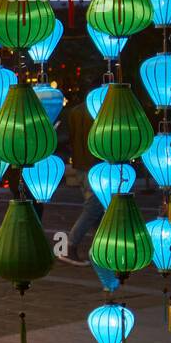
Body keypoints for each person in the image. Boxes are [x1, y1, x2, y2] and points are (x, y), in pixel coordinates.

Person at [58, 92, 102, 266]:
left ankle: (100, 249)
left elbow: (69, 137)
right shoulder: (100, 110)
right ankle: (70, 245)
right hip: (96, 165)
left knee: (98, 209)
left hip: (81, 164)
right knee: (94, 206)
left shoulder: (75, 111)